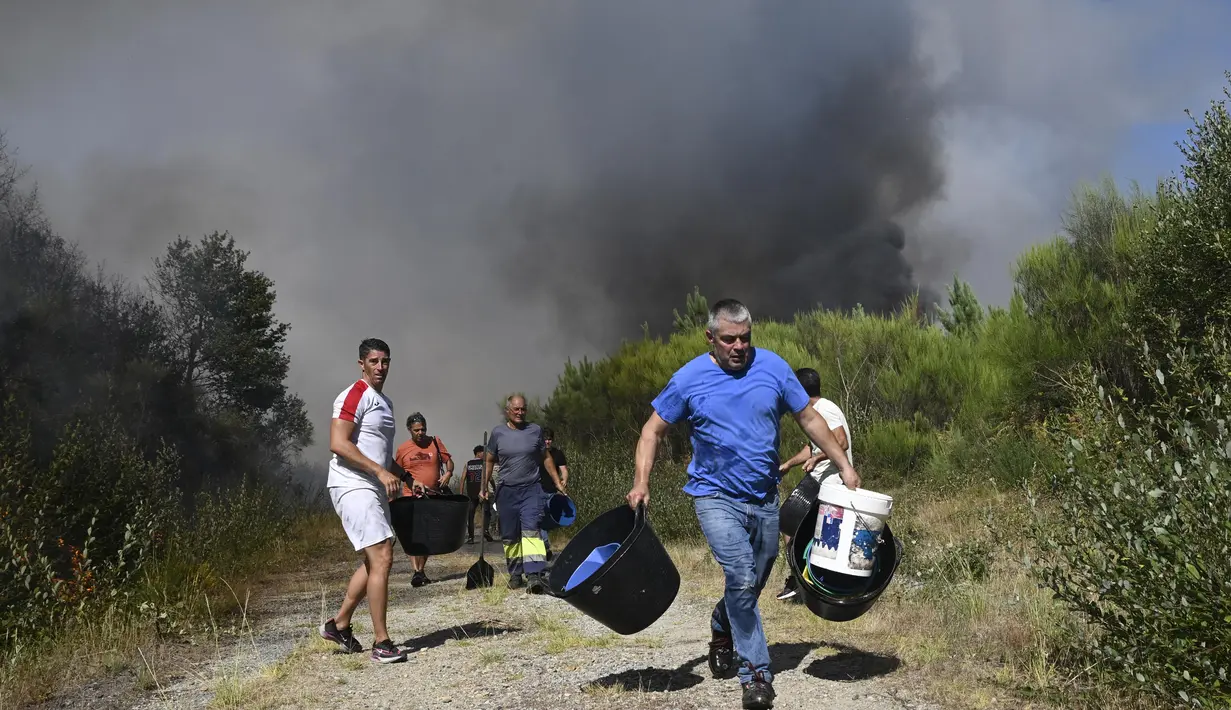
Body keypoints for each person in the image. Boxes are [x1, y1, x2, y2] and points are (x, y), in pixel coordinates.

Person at [625, 299, 859, 710]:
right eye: (729, 339)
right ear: (710, 338)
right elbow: (651, 431)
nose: (738, 347)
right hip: (714, 497)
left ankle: (722, 622)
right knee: (740, 573)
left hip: (765, 497)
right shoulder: (689, 378)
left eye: (745, 339)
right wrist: (640, 482)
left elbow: (808, 419)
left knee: (753, 581)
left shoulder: (771, 367)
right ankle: (757, 676)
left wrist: (844, 466)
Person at [319, 338, 416, 664]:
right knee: (383, 555)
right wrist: (379, 472)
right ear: (362, 363)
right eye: (374, 361)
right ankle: (382, 643)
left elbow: (381, 454)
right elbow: (338, 443)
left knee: (376, 557)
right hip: (352, 482)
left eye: (385, 361)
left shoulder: (385, 402)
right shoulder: (354, 394)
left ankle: (339, 625)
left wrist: (405, 477)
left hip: (373, 484)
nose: (380, 367)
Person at [774, 367, 852, 602]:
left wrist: (817, 458)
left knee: (793, 524)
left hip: (829, 481)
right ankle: (802, 578)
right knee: (789, 523)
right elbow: (814, 445)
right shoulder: (815, 411)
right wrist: (789, 463)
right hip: (817, 480)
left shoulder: (824, 409)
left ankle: (803, 580)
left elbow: (840, 441)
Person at [480, 395, 566, 594]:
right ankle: (516, 574)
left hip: (531, 489)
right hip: (507, 491)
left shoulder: (535, 430)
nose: (520, 413)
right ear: (507, 411)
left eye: (523, 409)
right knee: (510, 535)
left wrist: (557, 482)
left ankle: (534, 575)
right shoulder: (498, 433)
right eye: (516, 409)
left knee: (531, 531)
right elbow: (489, 460)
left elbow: (546, 458)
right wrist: (484, 487)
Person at [391, 412, 453, 587]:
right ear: (409, 430)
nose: (420, 433)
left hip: (432, 495)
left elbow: (449, 461)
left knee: (427, 534)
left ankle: (421, 569)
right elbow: (396, 470)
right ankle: (416, 571)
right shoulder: (403, 449)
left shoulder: (435, 442)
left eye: (423, 429)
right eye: (417, 430)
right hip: (410, 496)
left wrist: (448, 473)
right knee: (413, 534)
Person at [538, 426, 570, 562]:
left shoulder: (558, 454)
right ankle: (545, 546)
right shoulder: (537, 453)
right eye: (545, 440)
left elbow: (564, 470)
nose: (547, 442)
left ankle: (545, 545)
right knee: (540, 520)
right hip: (538, 491)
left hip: (552, 491)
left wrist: (563, 481)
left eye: (549, 439)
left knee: (550, 520)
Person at [463, 444, 496, 543]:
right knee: (486, 512)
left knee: (470, 515)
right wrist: (494, 487)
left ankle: (470, 537)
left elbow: (462, 479)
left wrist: (461, 492)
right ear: (478, 453)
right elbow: (489, 478)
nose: (485, 454)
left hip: (471, 493)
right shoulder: (484, 464)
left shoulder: (468, 464)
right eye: (483, 452)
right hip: (482, 492)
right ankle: (485, 530)